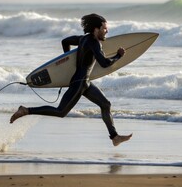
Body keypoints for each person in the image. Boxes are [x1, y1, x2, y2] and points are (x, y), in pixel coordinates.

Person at [10, 13, 132, 147]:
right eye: (104, 28)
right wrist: (118, 56)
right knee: (60, 111)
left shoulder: (83, 39)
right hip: (80, 82)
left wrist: (66, 65)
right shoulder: (95, 43)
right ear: (96, 29)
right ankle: (26, 110)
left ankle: (114, 137)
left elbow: (65, 41)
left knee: (106, 104)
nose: (106, 31)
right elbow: (104, 63)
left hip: (84, 82)